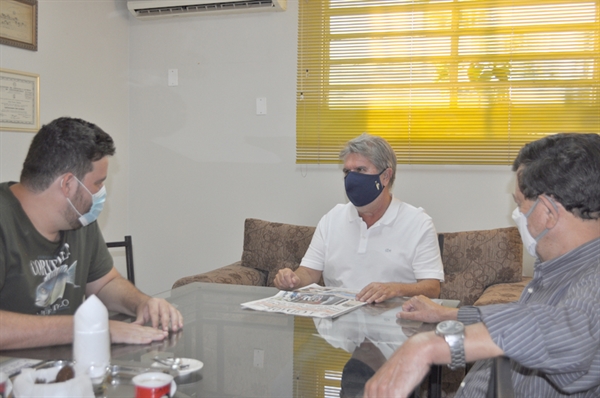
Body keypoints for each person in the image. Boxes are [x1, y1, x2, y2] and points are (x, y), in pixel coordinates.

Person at [364, 133, 600, 398]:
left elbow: (571, 333)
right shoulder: (561, 270)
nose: (517, 215)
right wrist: (449, 315)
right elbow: (524, 318)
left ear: (547, 212)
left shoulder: (594, 279)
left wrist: (429, 346)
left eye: (520, 204)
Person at [0, 117, 183, 350]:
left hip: (68, 368)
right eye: (98, 183)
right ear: (67, 184)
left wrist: (142, 303)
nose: (101, 193)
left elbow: (105, 283)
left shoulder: (77, 219)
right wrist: (86, 327)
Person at [274, 133, 444, 303]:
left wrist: (395, 288)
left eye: (361, 170)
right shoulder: (332, 218)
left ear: (385, 176)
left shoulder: (418, 223)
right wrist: (292, 278)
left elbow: (432, 288)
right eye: (347, 171)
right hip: (336, 321)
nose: (352, 178)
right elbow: (310, 272)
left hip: (394, 322)